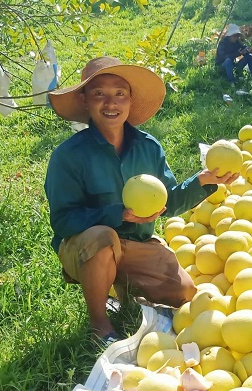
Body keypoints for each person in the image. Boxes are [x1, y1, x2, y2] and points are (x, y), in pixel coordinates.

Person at [45, 56, 237, 345]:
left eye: (119, 94)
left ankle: (122, 287)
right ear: (85, 100)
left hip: (136, 244)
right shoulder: (68, 156)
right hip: (86, 247)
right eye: (99, 94)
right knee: (103, 238)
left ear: (130, 100)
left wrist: (203, 181)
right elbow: (62, 220)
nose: (111, 103)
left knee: (184, 292)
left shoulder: (148, 147)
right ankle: (99, 323)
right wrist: (117, 214)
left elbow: (169, 202)